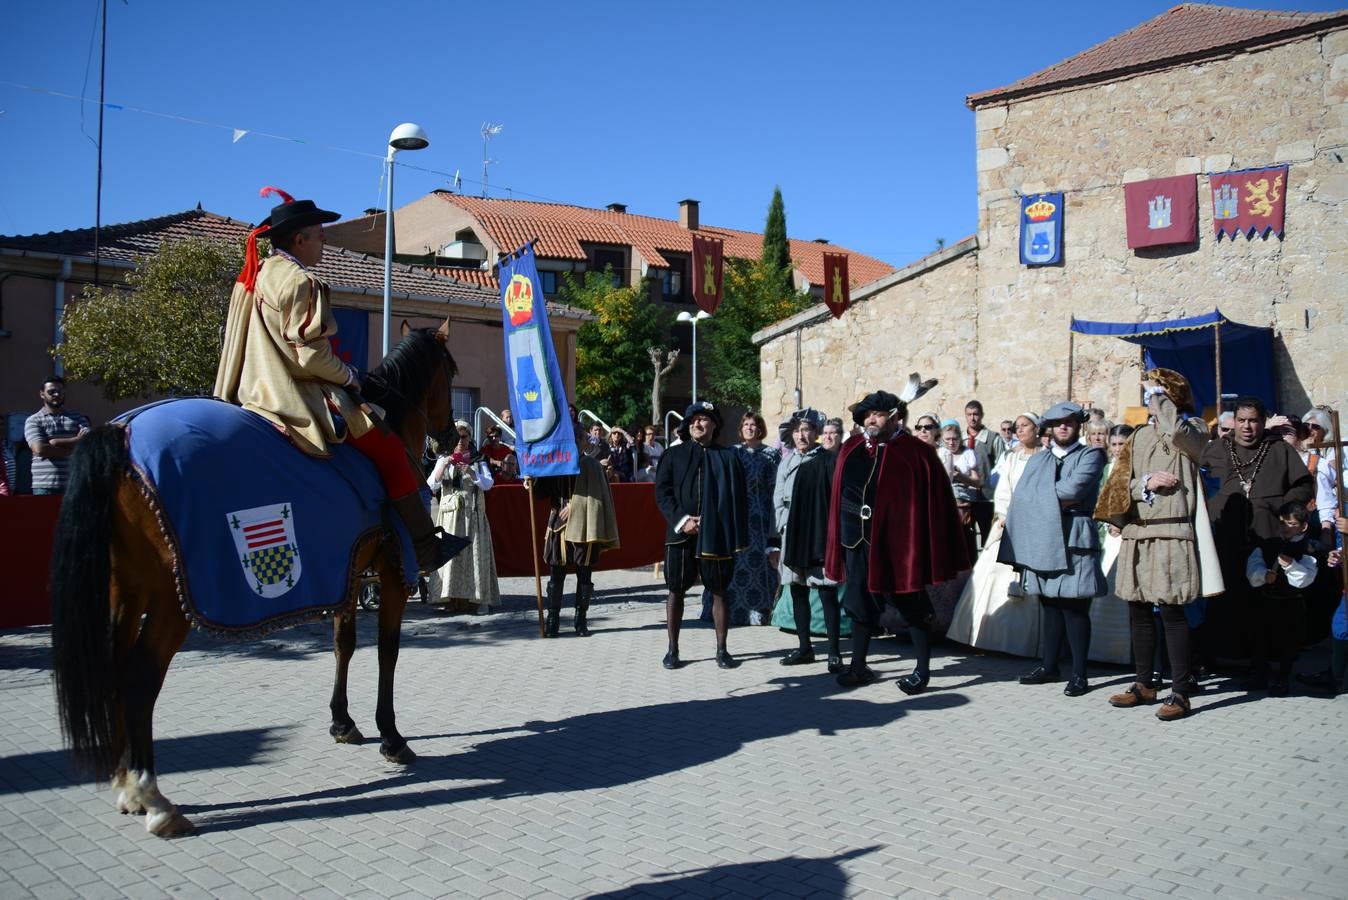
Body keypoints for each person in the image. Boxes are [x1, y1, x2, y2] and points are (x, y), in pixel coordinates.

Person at [214, 190, 462, 571]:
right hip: (292, 393)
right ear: (299, 239)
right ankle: (426, 548)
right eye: (319, 234)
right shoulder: (300, 281)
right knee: (391, 450)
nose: (324, 241)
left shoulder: (257, 275)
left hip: (251, 390)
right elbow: (309, 354)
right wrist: (348, 374)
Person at [824, 390, 969, 693]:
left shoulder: (916, 452)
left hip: (898, 546)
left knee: (911, 603)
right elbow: (840, 495)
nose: (870, 420)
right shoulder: (851, 448)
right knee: (859, 603)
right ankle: (859, 667)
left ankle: (922, 670)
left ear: (894, 417)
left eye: (876, 414)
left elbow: (933, 503)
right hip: (857, 543)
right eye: (866, 415)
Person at [1100, 370, 1222, 721]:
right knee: (1138, 610)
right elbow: (1124, 483)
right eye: (1152, 394)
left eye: (1160, 394)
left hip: (1173, 532)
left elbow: (1178, 432)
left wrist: (1160, 398)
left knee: (1172, 611)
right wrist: (1146, 483)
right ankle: (1143, 684)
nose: (1151, 400)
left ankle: (1181, 692)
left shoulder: (1195, 429)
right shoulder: (1138, 436)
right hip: (1139, 532)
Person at [1199, 396, 1313, 677]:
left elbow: (1302, 484)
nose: (1247, 427)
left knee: (1261, 601)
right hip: (1224, 535)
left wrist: (1283, 509)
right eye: (1241, 420)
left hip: (1267, 534)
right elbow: (1198, 480)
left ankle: (1261, 661)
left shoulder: (1278, 450)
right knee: (1222, 596)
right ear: (1233, 422)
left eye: (1253, 420)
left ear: (1263, 422)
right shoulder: (1217, 449)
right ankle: (1218, 656)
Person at [1001, 401, 1107, 697]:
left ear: (1078, 425)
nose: (1063, 426)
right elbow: (1020, 495)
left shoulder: (1091, 456)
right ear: (1050, 427)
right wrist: (1037, 499)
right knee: (1049, 604)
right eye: (1058, 422)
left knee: (1074, 606)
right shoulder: (1039, 459)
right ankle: (1049, 666)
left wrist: (1036, 498)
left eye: (1070, 422)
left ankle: (1079, 673)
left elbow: (1073, 492)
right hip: (1042, 535)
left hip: (1074, 535)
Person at [655, 402, 748, 669]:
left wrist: (724, 528)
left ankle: (722, 650)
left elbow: (737, 498)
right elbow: (662, 493)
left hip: (715, 534)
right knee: (675, 590)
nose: (698, 424)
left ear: (714, 425)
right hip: (680, 534)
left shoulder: (728, 457)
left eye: (704, 419)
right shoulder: (674, 455)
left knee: (719, 590)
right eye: (693, 420)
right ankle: (672, 650)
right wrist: (682, 521)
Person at [948, 413, 1043, 657]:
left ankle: (1027, 643)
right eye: (1017, 426)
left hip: (1035, 526)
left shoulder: (1045, 457)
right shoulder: (1010, 457)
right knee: (991, 577)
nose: (1020, 430)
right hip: (1008, 523)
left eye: (1025, 426)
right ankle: (986, 637)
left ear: (1037, 429)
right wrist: (1005, 515)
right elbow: (1002, 489)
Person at [534, 416, 620, 637]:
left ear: (584, 440)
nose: (576, 441)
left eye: (578, 437)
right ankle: (552, 620)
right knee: (556, 575)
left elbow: (598, 498)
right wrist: (533, 478)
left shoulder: (591, 465)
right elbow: (540, 494)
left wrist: (576, 506)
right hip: (558, 527)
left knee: (584, 574)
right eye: (571, 437)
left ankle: (581, 620)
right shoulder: (555, 463)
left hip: (585, 526)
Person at [773, 410, 844, 671]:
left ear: (815, 433)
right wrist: (783, 527)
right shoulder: (787, 461)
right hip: (792, 531)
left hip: (817, 530)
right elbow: (778, 497)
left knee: (826, 590)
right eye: (797, 431)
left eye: (806, 430)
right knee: (797, 589)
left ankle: (835, 651)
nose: (802, 435)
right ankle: (805, 648)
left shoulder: (827, 459)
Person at [1243, 501, 1320, 695]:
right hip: (1267, 600)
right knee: (1260, 638)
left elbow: (1305, 578)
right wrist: (1262, 574)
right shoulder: (1270, 544)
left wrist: (1291, 565)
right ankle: (1259, 673)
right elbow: (1254, 564)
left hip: (1291, 603)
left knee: (1287, 643)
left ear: (1303, 526)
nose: (1285, 527)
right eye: (1282, 522)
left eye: (1291, 524)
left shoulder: (1308, 548)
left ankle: (1282, 678)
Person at [427, 435, 500, 614]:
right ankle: (449, 598)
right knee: (450, 556)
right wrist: (443, 466)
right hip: (449, 516)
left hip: (471, 515)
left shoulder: (478, 459)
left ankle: (478, 600)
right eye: (457, 437)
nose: (460, 441)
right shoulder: (444, 459)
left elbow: (488, 484)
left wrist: (473, 473)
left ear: (469, 439)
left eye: (464, 437)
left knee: (473, 555)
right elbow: (431, 486)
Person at [724, 411, 781, 626]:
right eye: (745, 424)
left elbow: (776, 486)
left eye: (753, 424)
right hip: (736, 515)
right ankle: (734, 611)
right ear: (741, 428)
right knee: (736, 561)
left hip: (762, 515)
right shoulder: (732, 452)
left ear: (760, 429)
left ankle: (763, 611)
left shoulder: (771, 454)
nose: (749, 427)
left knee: (761, 562)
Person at [24, 377, 90, 495]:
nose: (56, 394)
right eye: (51, 392)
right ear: (42, 394)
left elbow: (89, 441)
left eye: (60, 391)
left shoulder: (77, 417)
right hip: (44, 486)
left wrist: (56, 442)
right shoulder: (33, 420)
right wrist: (76, 444)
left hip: (73, 484)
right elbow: (40, 449)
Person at [938, 420, 983, 562]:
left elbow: (977, 482)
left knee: (964, 540)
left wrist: (960, 476)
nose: (951, 443)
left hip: (961, 503)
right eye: (947, 439)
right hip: (941, 502)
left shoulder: (968, 453)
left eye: (955, 439)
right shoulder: (938, 453)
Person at [964, 399, 1006, 548]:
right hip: (966, 497)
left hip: (987, 498)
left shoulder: (993, 438)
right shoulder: (960, 439)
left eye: (976, 414)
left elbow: (1002, 466)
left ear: (981, 415)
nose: (972, 418)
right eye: (969, 414)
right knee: (966, 538)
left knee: (989, 538)